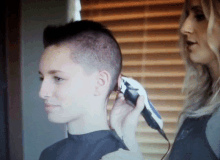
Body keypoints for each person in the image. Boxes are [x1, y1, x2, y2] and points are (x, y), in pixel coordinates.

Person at [102, 0, 220, 159]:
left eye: (199, 16)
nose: (184, 28)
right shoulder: (201, 106)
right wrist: (125, 135)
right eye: (187, 15)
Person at [38, 20, 145, 160]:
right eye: (42, 78)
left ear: (100, 82)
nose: (42, 93)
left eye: (58, 78)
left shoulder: (122, 156)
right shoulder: (49, 154)